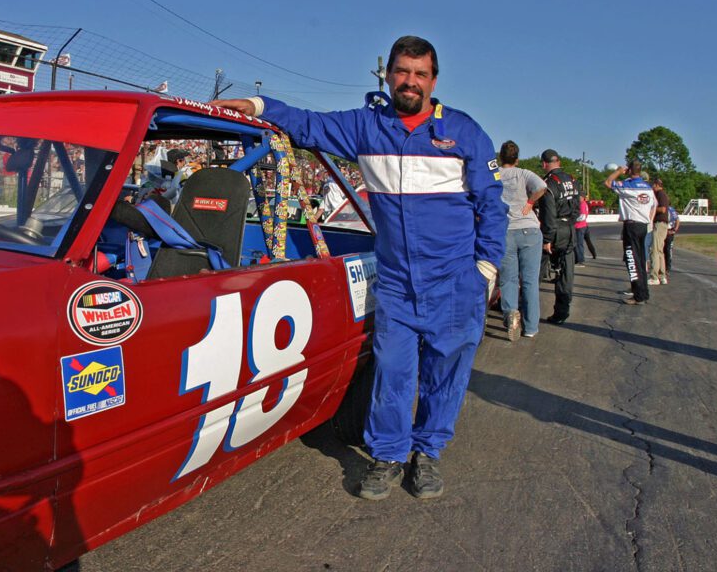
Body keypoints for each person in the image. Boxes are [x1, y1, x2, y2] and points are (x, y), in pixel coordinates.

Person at [211, 35, 506, 501]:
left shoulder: (464, 132)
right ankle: (388, 455)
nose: (411, 82)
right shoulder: (366, 127)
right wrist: (257, 103)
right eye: (402, 72)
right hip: (396, 281)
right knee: (392, 371)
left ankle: (427, 452)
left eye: (420, 74)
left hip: (455, 280)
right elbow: (306, 125)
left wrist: (485, 270)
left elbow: (492, 204)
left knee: (445, 374)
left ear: (433, 80)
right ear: (387, 75)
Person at [498, 140, 547, 341]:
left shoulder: (495, 175)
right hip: (529, 229)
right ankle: (530, 326)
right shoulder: (523, 173)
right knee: (529, 280)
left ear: (500, 158)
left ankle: (510, 314)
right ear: (517, 159)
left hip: (505, 229)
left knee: (508, 279)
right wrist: (530, 202)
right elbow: (542, 187)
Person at [605, 160, 656, 304]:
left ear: (629, 171)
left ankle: (638, 295)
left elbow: (608, 182)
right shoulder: (648, 188)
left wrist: (618, 171)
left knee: (632, 260)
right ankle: (643, 293)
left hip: (632, 226)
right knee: (640, 260)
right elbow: (653, 205)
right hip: (643, 226)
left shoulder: (628, 186)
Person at [538, 149, 579, 324]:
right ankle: (562, 312)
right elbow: (577, 207)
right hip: (570, 228)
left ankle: (525, 310)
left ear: (544, 164)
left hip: (554, 230)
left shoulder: (548, 183)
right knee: (566, 274)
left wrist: (547, 239)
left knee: (537, 272)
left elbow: (548, 214)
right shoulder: (572, 180)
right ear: (559, 161)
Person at [648, 177, 670, 285]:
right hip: (663, 224)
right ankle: (662, 276)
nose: (652, 187)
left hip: (660, 223)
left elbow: (662, 209)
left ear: (657, 185)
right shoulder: (663, 194)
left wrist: (650, 208)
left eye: (653, 185)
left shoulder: (660, 194)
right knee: (660, 251)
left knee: (655, 250)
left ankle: (654, 276)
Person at [574, 195, 596, 265]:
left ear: (583, 198)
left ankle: (580, 259)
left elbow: (582, 216)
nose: (578, 198)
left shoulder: (582, 204)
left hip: (579, 226)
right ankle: (594, 253)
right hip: (584, 225)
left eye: (580, 197)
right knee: (588, 241)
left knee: (579, 243)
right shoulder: (584, 204)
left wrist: (573, 220)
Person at [664, 205, 679, 272]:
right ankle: (663, 266)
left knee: (668, 249)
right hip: (663, 231)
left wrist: (675, 229)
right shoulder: (671, 209)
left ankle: (668, 266)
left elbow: (677, 219)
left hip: (669, 231)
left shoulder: (671, 209)